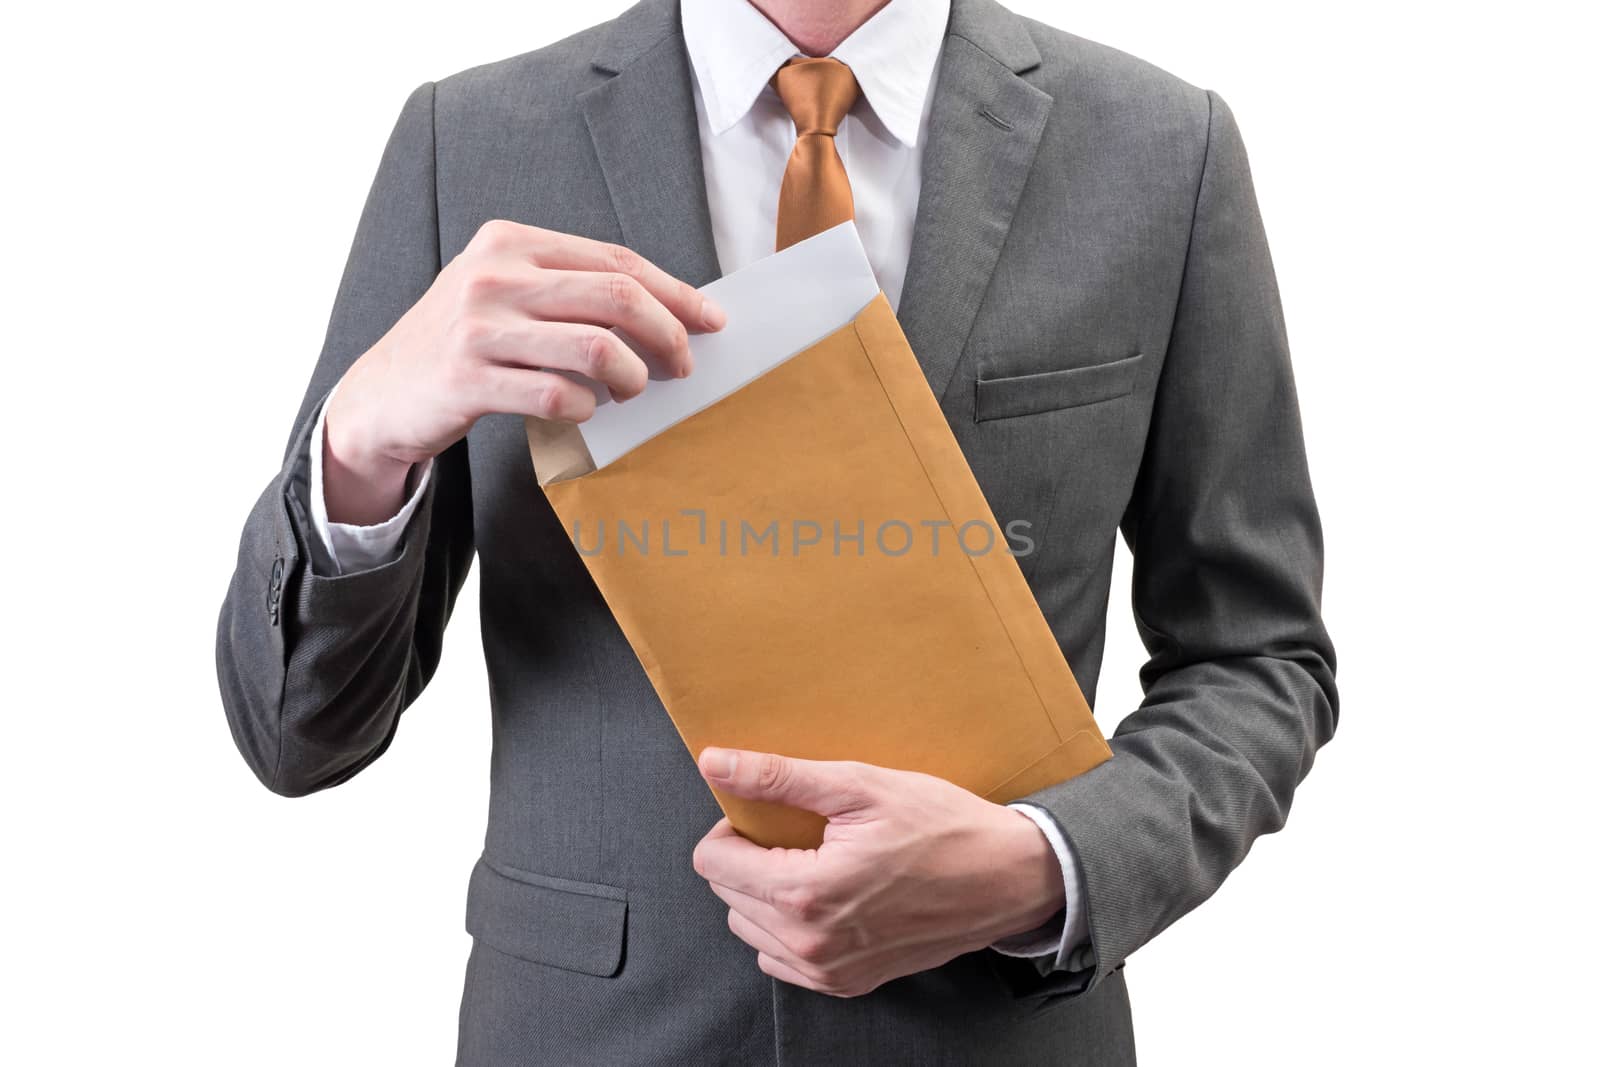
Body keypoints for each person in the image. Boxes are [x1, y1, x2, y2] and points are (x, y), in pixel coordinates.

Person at [216, 0, 1338, 1062]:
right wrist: (358, 445)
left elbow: (1257, 658)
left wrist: (1045, 864)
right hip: (587, 1031)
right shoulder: (469, 143)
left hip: (993, 1034)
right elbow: (300, 734)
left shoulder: (1160, 149)